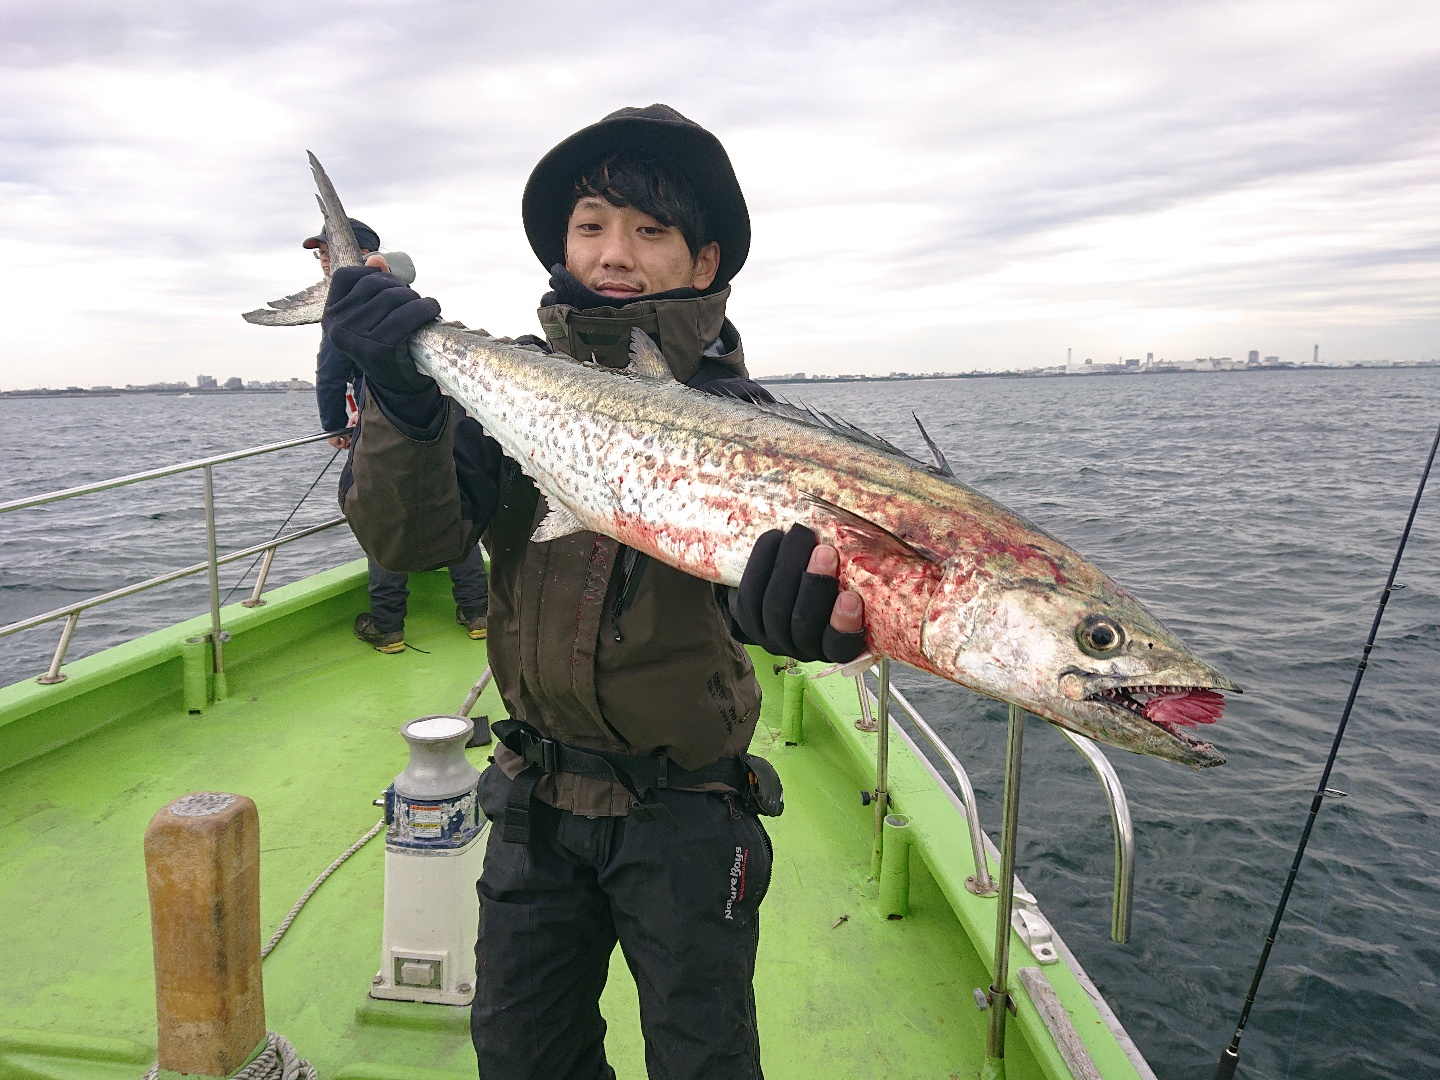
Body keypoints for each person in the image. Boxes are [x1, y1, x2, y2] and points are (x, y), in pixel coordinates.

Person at [323, 105, 867, 1079]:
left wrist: (806, 619)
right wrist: (403, 407)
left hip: (687, 816)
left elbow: (794, 596)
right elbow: (414, 541)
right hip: (532, 802)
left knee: (704, 1057)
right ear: (563, 246)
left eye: (650, 230)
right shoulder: (512, 391)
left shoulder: (747, 423)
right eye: (592, 225)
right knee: (523, 1054)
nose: (616, 251)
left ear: (704, 262)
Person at [305, 217, 490, 652]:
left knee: (385, 512)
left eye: (327, 252)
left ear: (363, 253)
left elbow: (330, 376)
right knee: (449, 502)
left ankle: (387, 625)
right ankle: (478, 610)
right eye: (321, 254)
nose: (323, 261)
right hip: (445, 421)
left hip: (387, 426)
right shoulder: (410, 301)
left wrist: (334, 425)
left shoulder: (353, 308)